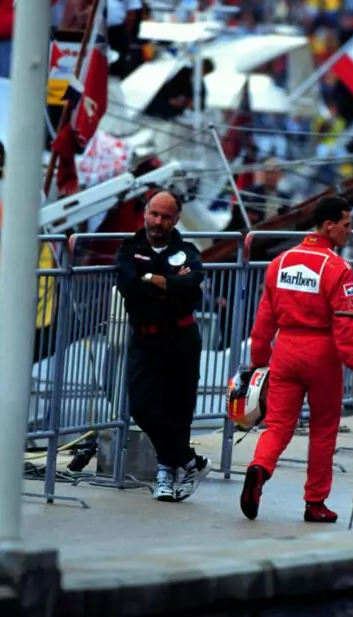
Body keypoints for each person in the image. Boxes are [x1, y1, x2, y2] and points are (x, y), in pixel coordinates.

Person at [240, 195, 353, 523]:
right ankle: (315, 503)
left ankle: (259, 468)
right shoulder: (338, 268)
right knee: (323, 430)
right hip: (322, 354)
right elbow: (347, 325)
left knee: (278, 425)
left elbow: (263, 320)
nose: (350, 231)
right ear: (329, 226)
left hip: (285, 350)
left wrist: (258, 360)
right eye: (347, 225)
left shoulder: (280, 262)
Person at [115, 190, 212, 502]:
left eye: (165, 216)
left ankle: (166, 475)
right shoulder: (130, 248)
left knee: (178, 410)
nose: (158, 221)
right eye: (154, 214)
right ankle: (190, 462)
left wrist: (153, 280)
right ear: (146, 213)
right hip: (144, 338)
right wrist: (167, 281)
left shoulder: (188, 251)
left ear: (176, 219)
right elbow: (128, 284)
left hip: (181, 337)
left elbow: (191, 283)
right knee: (142, 406)